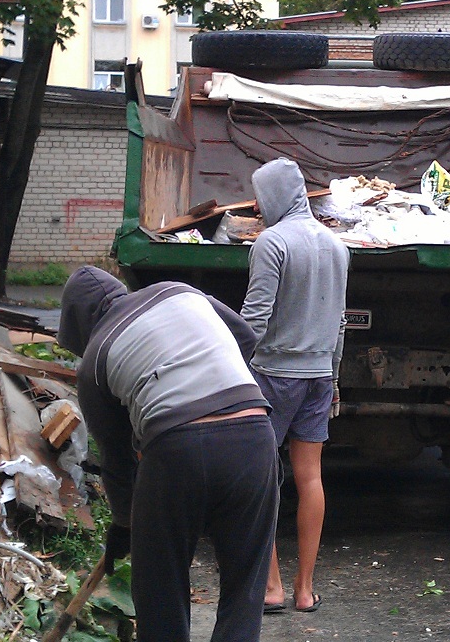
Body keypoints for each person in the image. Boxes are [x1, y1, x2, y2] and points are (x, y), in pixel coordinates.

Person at [59, 265, 279, 642]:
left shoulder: (95, 358)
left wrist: (125, 523)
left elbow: (116, 460)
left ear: (80, 325)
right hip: (254, 436)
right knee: (245, 589)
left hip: (177, 450)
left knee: (160, 588)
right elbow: (244, 334)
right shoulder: (178, 291)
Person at [241, 158, 350, 615]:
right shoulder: (337, 246)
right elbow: (340, 323)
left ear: (273, 197)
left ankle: (272, 588)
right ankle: (306, 590)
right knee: (310, 478)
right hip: (320, 375)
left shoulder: (271, 243)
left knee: (261, 479)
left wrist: (233, 370)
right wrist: (336, 376)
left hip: (272, 375)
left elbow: (255, 317)